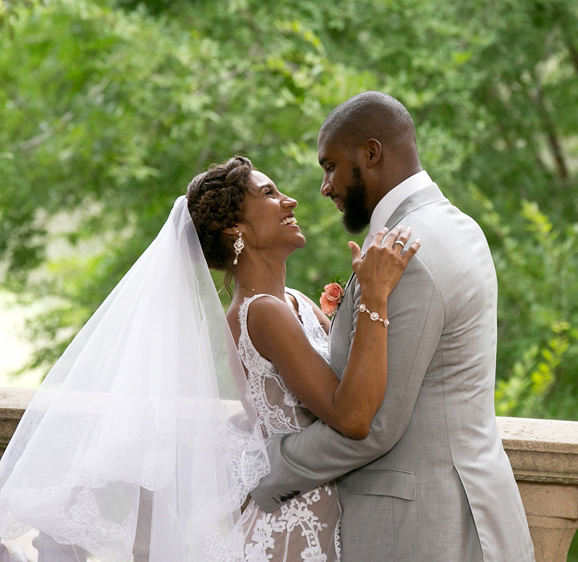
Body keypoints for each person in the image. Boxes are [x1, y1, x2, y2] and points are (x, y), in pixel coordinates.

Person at [0, 155, 418, 562]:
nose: (290, 200)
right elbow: (351, 415)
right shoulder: (260, 311)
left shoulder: (295, 302)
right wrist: (375, 295)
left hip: (326, 510)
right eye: (269, 193)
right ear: (236, 228)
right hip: (297, 525)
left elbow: (344, 382)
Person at [250, 91, 535, 562]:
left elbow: (376, 425)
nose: (324, 187)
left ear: (372, 153)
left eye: (331, 166)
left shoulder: (408, 254)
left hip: (425, 530)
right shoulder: (458, 225)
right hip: (470, 507)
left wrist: (263, 473)